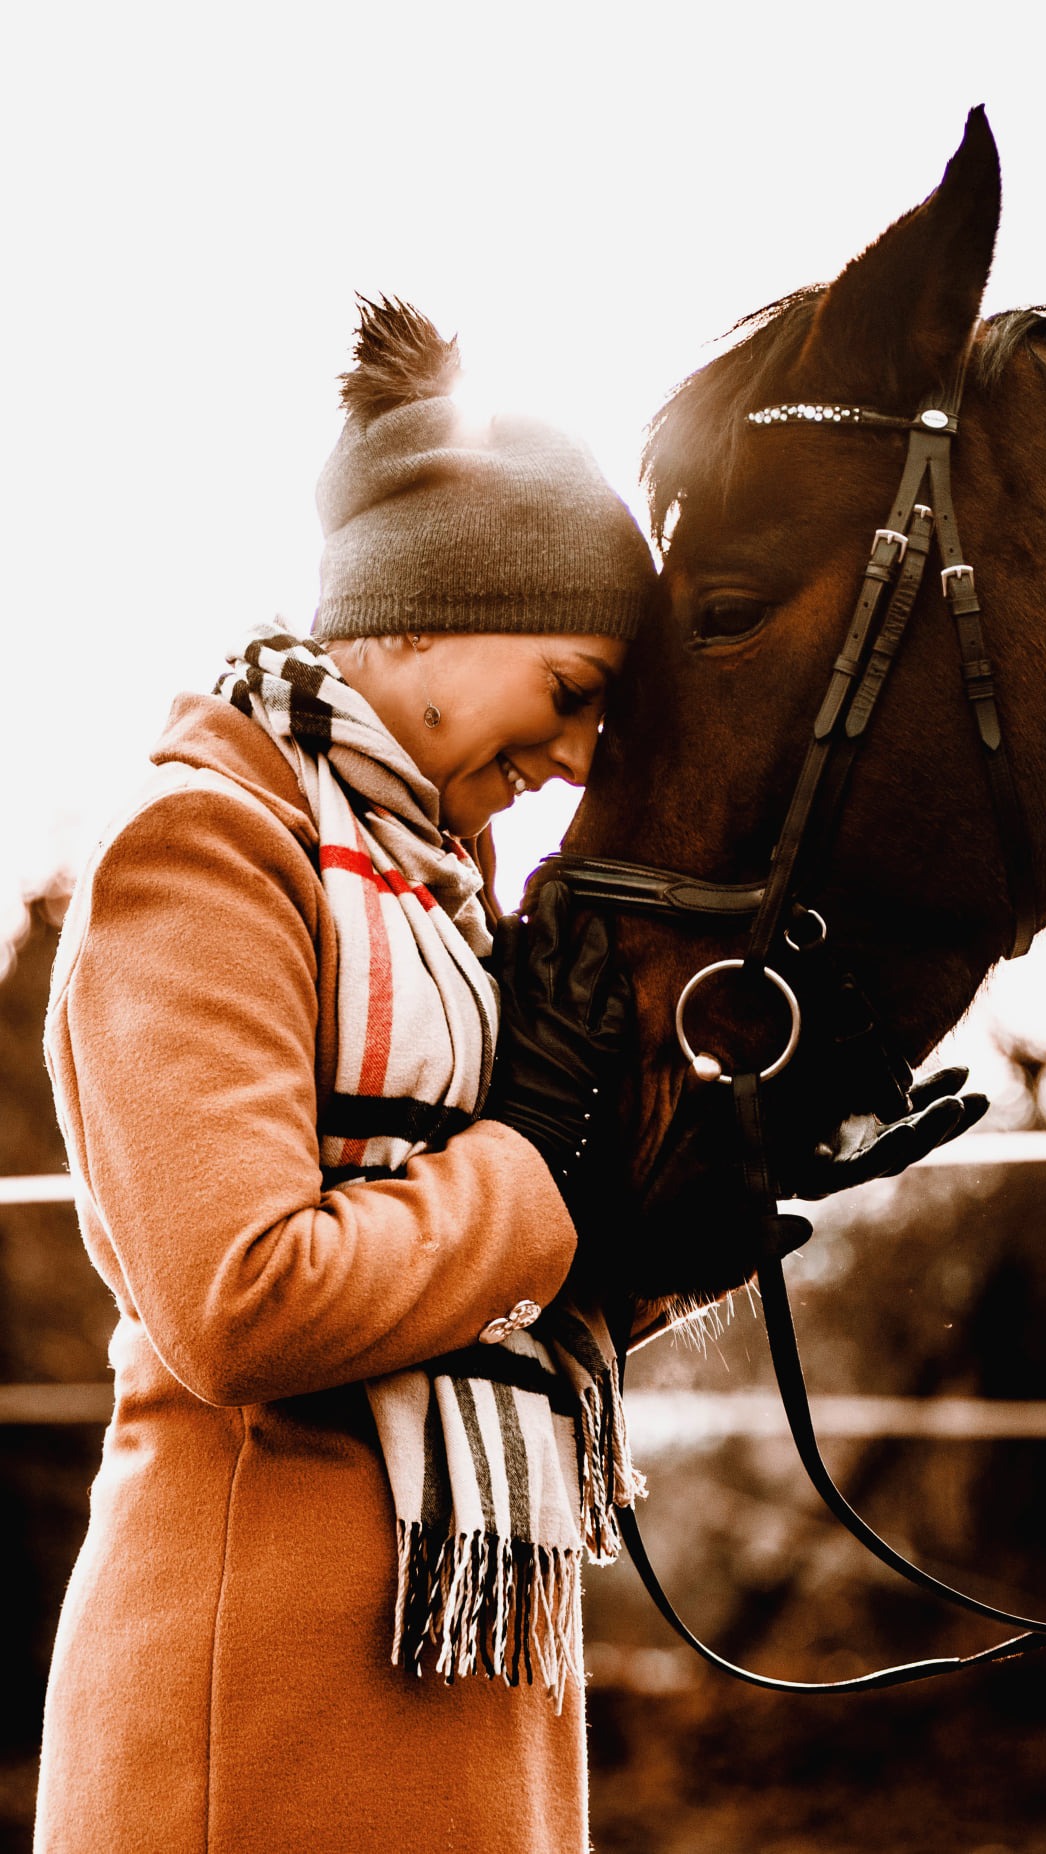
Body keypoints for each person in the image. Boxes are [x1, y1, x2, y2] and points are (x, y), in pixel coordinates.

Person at [36, 297, 656, 1854]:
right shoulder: (208, 846)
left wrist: (686, 1214)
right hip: (268, 1702)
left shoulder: (443, 894)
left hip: (464, 1677)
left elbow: (488, 1270)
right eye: (573, 687)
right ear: (431, 610)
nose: (581, 754)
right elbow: (248, 1291)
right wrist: (533, 1155)